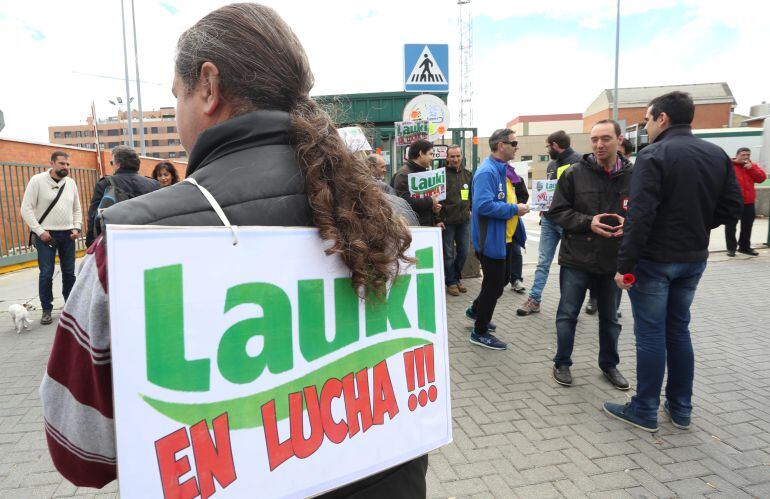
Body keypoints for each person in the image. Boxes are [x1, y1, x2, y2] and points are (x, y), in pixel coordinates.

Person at [40, 3, 426, 496]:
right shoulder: (392, 216)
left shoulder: (131, 244)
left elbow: (80, 453)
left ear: (207, 86)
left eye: (176, 96)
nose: (177, 113)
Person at [605, 91, 743, 432]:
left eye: (649, 120)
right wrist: (695, 226)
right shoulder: (716, 155)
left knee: (651, 334)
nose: (647, 127)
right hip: (693, 258)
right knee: (678, 330)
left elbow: (640, 215)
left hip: (654, 260)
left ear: (662, 118)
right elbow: (731, 208)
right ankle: (681, 408)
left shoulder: (654, 155)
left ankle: (645, 409)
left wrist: (624, 266)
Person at [547, 120, 632, 390]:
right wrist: (588, 222)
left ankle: (609, 365)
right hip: (577, 258)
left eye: (605, 138)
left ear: (619, 140)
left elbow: (648, 214)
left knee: (610, 318)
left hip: (612, 260)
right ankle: (562, 362)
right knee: (567, 314)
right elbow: (558, 212)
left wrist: (628, 224)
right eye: (594, 139)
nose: (599, 145)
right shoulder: (573, 173)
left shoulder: (636, 175)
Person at [466, 128, 529, 350]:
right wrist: (514, 209)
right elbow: (482, 205)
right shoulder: (487, 172)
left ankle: (476, 310)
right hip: (491, 240)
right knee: (494, 286)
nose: (516, 147)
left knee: (501, 281)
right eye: (513, 143)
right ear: (501, 145)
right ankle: (479, 331)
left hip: (506, 238)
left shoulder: (503, 170)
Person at [517, 130, 580, 316]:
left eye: (548, 146)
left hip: (567, 221)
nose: (547, 150)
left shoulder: (578, 162)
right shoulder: (552, 164)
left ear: (555, 145)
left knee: (572, 264)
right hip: (549, 219)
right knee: (543, 262)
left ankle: (573, 303)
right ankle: (534, 300)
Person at [20, 151, 82, 325]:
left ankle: (70, 306)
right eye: (62, 164)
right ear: (52, 163)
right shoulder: (37, 181)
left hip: (68, 234)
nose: (66, 167)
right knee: (46, 273)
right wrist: (40, 231)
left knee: (69, 272)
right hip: (46, 235)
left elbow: (77, 208)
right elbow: (26, 209)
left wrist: (77, 228)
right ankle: (46, 309)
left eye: (68, 164)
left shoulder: (70, 183)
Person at [85, 146, 161, 246]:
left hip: (116, 242)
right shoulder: (154, 184)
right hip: (147, 240)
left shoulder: (106, 184)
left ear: (118, 164)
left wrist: (90, 243)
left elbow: (94, 216)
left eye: (112, 162)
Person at [438, 145, 473, 296]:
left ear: (461, 156)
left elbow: (471, 194)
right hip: (447, 220)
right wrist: (437, 218)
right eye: (452, 156)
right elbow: (436, 199)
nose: (455, 159)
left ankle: (456, 277)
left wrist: (470, 209)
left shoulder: (468, 174)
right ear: (447, 158)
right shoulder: (441, 175)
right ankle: (451, 282)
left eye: (458, 156)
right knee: (448, 253)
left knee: (464, 251)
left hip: (464, 220)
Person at [725, 147, 766, 257]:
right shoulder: (729, 165)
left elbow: (761, 178)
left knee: (747, 226)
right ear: (737, 155)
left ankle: (744, 247)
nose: (746, 157)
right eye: (743, 155)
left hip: (748, 202)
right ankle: (731, 248)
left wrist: (751, 169)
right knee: (730, 225)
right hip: (733, 202)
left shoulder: (752, 166)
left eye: (748, 155)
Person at [392, 139, 441, 227]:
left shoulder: (423, 172)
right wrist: (430, 201)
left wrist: (433, 211)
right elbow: (403, 200)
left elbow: (423, 199)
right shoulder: (403, 174)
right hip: (411, 227)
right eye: (430, 154)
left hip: (424, 224)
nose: (432, 158)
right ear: (421, 154)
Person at [507, 161, 529, 294]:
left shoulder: (516, 179)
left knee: (515, 250)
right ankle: (496, 279)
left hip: (513, 220)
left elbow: (523, 195)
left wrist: (517, 207)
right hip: (497, 222)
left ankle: (516, 279)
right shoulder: (492, 177)